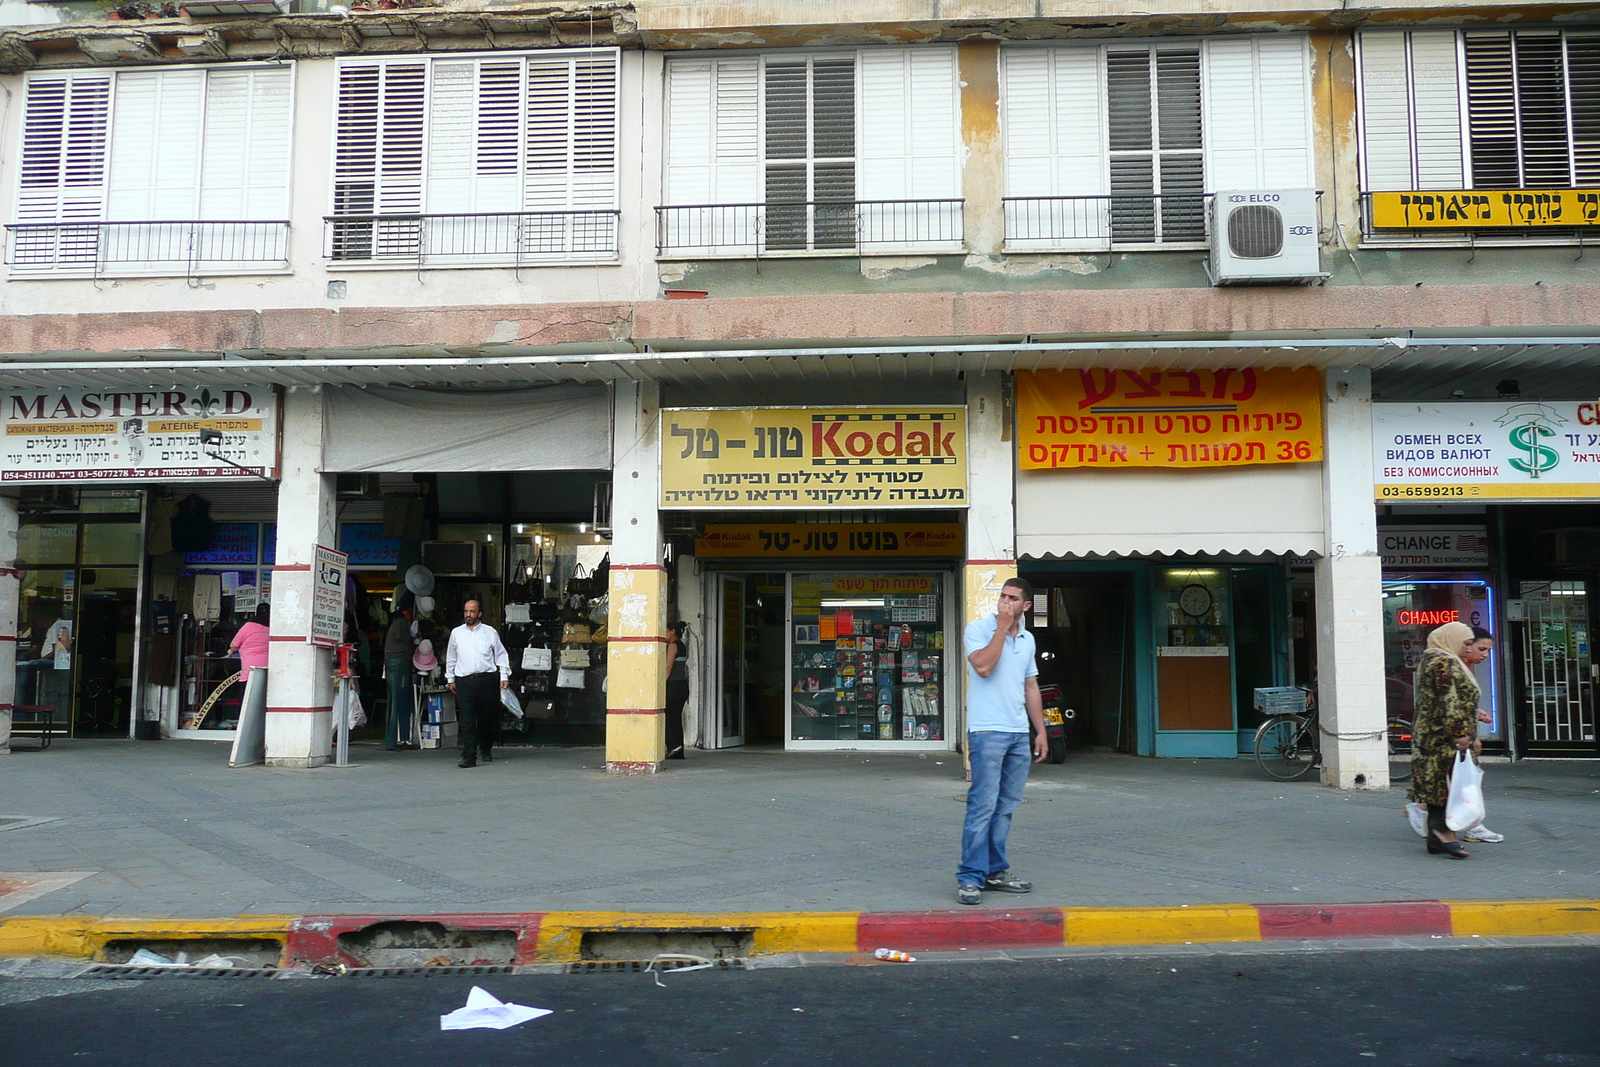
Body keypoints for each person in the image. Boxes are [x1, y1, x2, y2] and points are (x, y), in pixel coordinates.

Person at [957, 577, 1049, 905]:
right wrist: (1000, 629)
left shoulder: (1027, 639)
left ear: (1025, 606)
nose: (1004, 603)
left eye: (1012, 599)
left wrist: (1041, 731)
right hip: (987, 731)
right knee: (982, 805)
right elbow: (982, 667)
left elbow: (1030, 687)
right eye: (1002, 596)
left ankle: (995, 871)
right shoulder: (978, 629)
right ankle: (970, 876)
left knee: (1006, 807)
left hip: (1017, 732)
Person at [1406, 621, 1480, 859]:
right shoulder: (1443, 661)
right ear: (1451, 640)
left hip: (1434, 735)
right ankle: (1442, 833)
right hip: (1440, 738)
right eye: (1466, 643)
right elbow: (1447, 699)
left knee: (1442, 785)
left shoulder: (1438, 659)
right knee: (1446, 785)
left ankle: (1436, 836)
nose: (1469, 649)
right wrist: (1459, 733)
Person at [446, 599, 510, 768]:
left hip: (486, 680)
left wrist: (504, 675)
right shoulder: (456, 633)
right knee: (466, 719)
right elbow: (451, 657)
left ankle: (486, 749)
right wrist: (450, 678)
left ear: (479, 613)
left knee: (485, 718)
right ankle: (469, 755)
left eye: (472, 611)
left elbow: (501, 654)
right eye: (466, 611)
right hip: (464, 680)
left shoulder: (490, 632)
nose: (468, 614)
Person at [384, 605, 417, 751]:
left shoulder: (395, 622)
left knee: (395, 700)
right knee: (399, 701)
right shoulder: (403, 622)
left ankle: (397, 740)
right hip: (399, 661)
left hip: (393, 661)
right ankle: (397, 740)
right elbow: (400, 637)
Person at [664, 621, 689, 760]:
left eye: (666, 631)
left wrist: (661, 683)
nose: (664, 635)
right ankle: (678, 751)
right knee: (675, 717)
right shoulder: (682, 646)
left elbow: (668, 667)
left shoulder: (673, 646)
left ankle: (673, 745)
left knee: (663, 714)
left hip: (673, 685)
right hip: (683, 686)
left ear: (672, 631)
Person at [227, 605, 270, 676]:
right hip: (267, 672)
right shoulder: (271, 629)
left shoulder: (248, 626)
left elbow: (234, 645)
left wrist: (230, 651)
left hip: (250, 672)